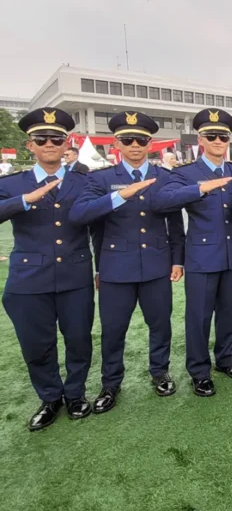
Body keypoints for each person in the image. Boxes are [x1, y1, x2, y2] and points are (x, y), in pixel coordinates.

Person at [69, 112, 185, 413]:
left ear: (150, 144)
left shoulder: (165, 178)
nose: (135, 145)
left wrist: (177, 261)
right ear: (116, 144)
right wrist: (121, 195)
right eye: (127, 140)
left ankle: (159, 372)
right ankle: (110, 383)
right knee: (113, 329)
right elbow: (83, 217)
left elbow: (175, 225)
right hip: (115, 269)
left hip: (157, 265)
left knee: (160, 325)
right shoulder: (99, 179)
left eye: (142, 140)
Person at [0, 108, 96, 430]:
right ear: (30, 145)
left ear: (66, 142)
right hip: (29, 278)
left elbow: (100, 220)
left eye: (56, 138)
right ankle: (50, 397)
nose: (49, 143)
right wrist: (24, 200)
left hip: (75, 274)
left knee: (79, 340)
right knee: (36, 344)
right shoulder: (14, 184)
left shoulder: (86, 181)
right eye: (41, 138)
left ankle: (76, 394)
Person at [151, 108, 232, 397]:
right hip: (201, 257)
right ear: (200, 139)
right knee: (199, 316)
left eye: (223, 136)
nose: (219, 140)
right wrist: (199, 188)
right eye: (212, 136)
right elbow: (162, 202)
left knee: (228, 312)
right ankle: (199, 370)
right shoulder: (185, 173)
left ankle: (226, 359)